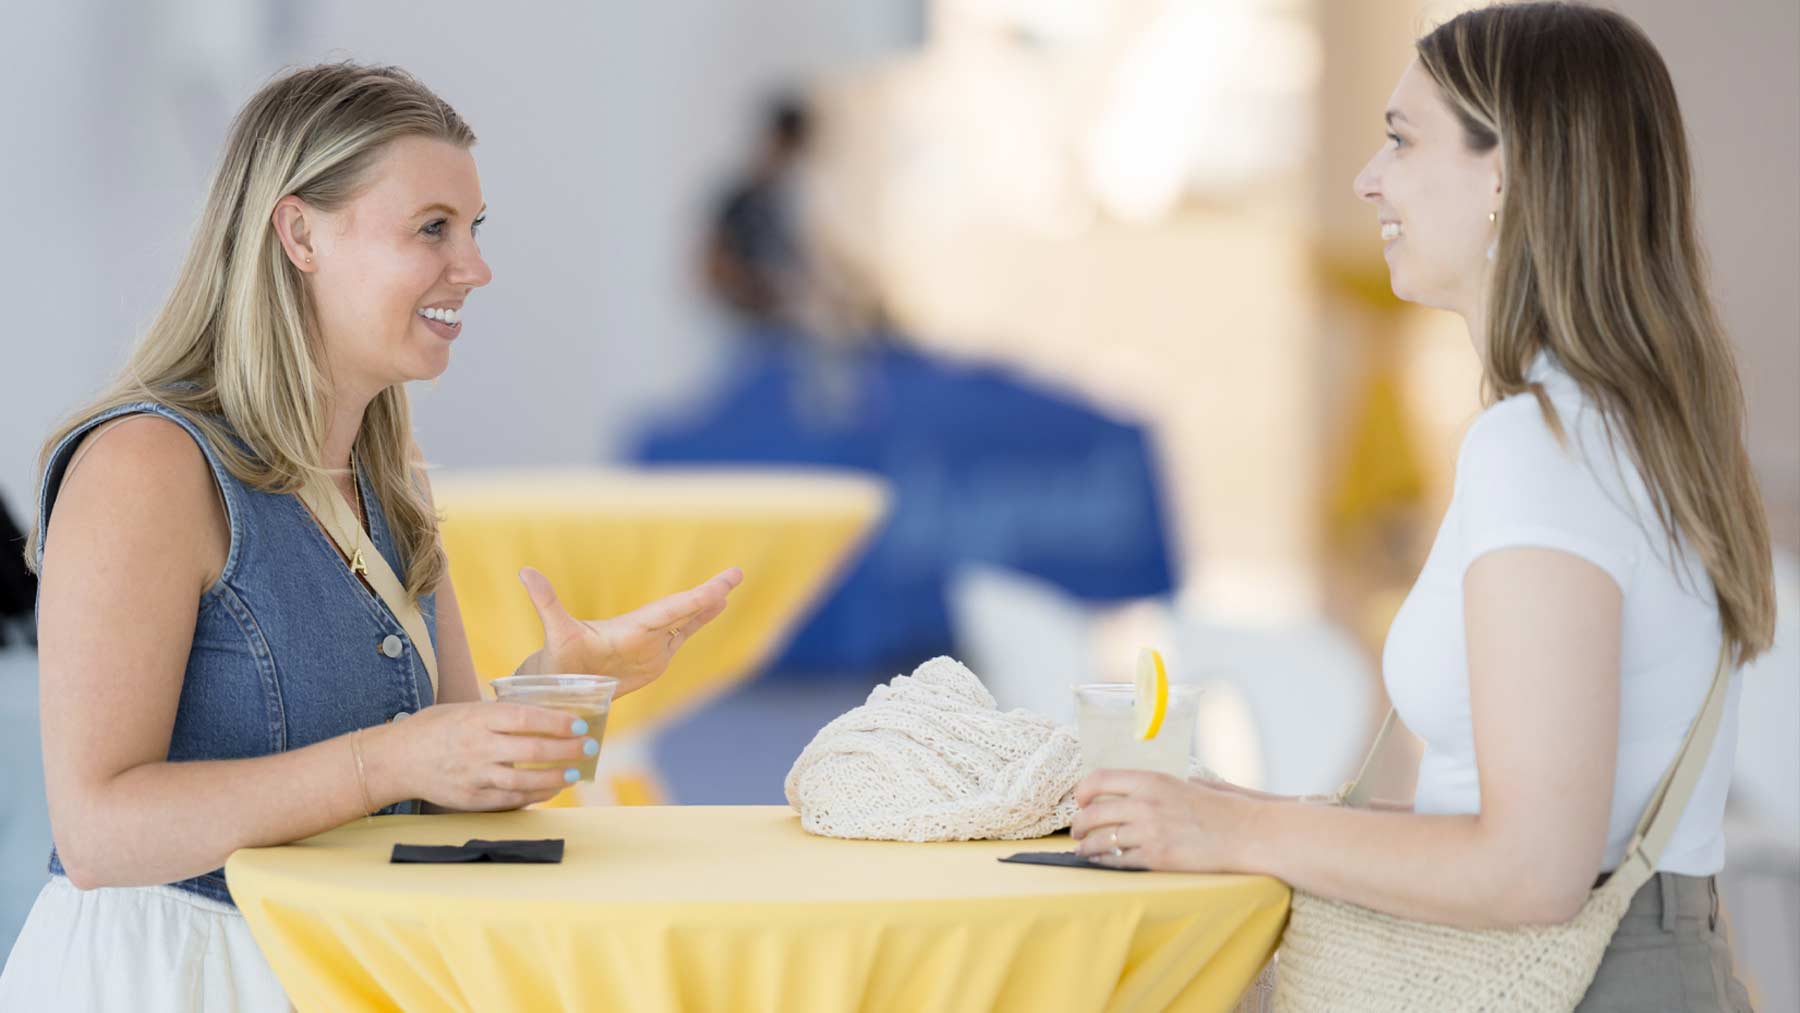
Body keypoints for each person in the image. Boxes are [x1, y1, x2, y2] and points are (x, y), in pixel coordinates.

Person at [1068, 4, 1769, 1009]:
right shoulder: (1641, 429)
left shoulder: (1542, 446)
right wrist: (1229, 805)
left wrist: (1235, 828)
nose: (1367, 178)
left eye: (1401, 138)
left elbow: (1529, 869)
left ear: (1505, 175)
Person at [0, 62, 741, 1007]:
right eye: (432, 228)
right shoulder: (145, 463)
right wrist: (387, 759)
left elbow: (451, 790)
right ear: (299, 232)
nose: (473, 267)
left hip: (347, 971)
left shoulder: (391, 477)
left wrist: (565, 694)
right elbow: (100, 832)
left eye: (473, 231)